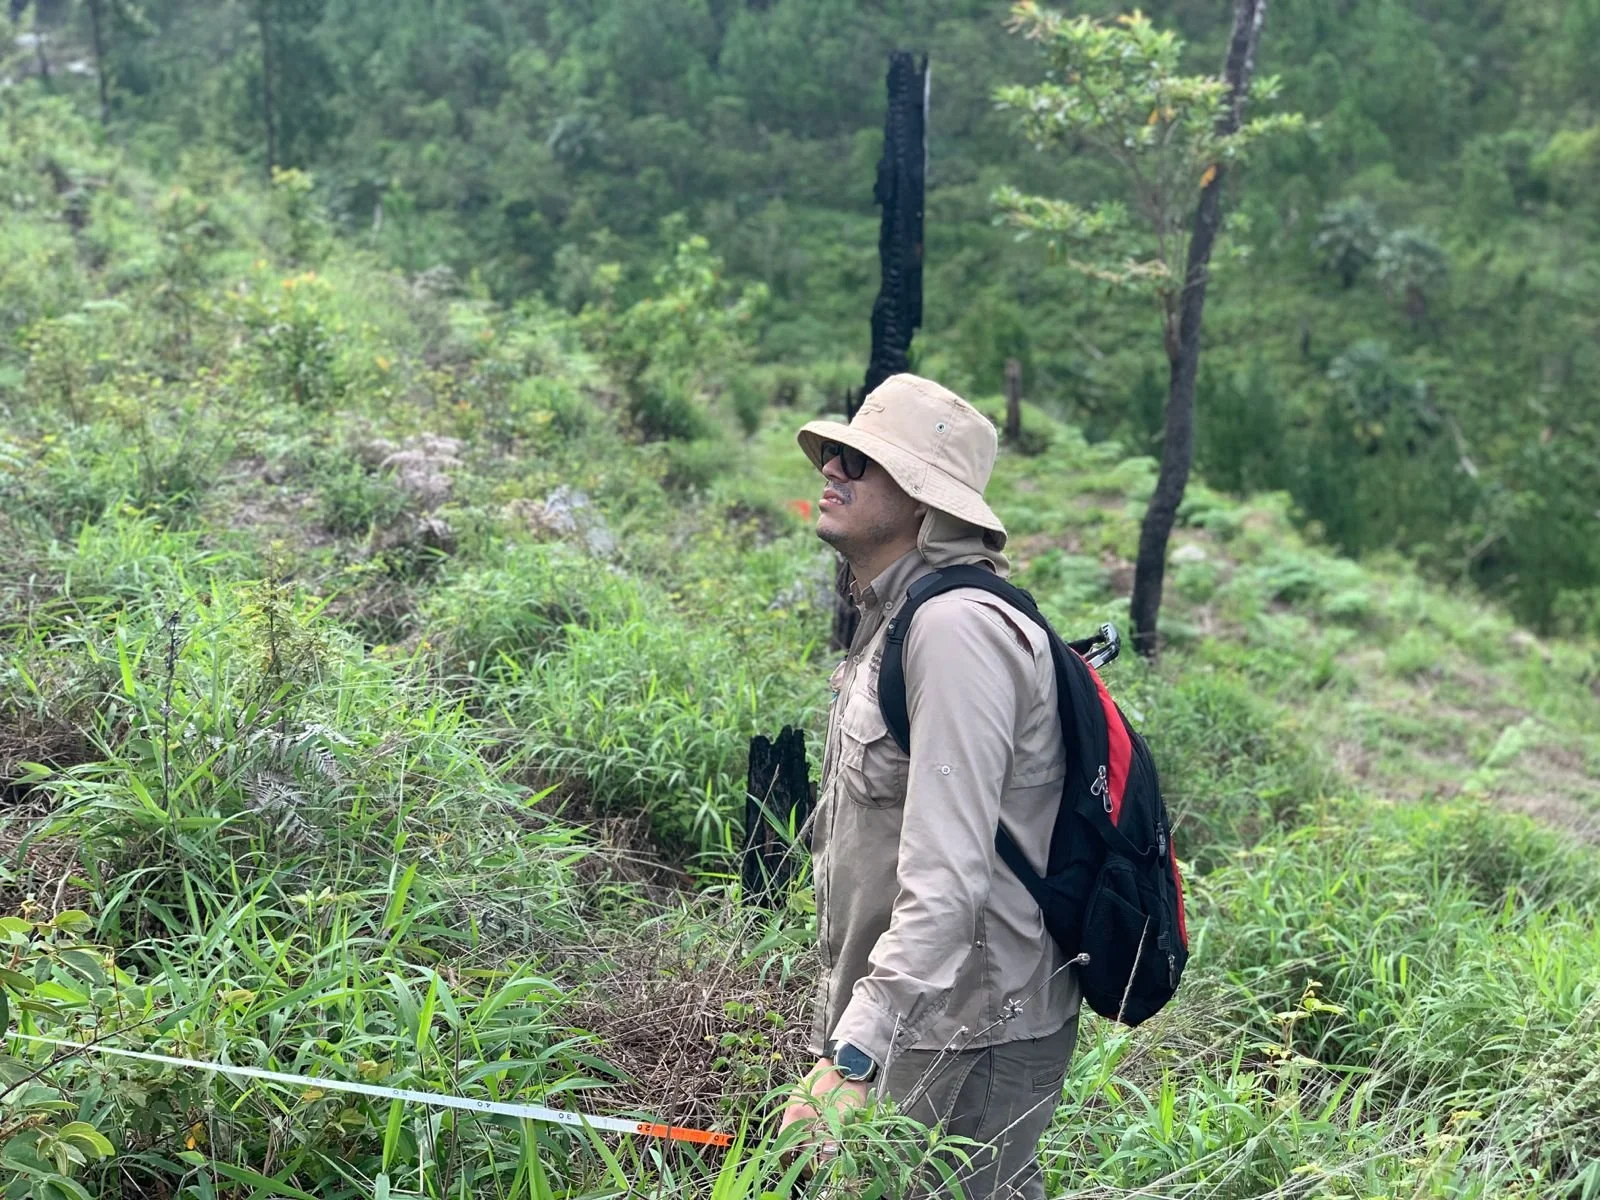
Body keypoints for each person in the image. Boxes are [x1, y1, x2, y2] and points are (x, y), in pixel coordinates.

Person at [777, 374, 1080, 1199]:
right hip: (923, 1019)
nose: (830, 469)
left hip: (963, 1031)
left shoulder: (953, 633)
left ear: (922, 501)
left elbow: (948, 878)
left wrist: (855, 1054)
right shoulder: (896, 616)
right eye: (836, 452)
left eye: (860, 461)